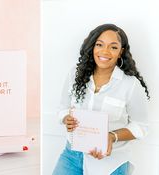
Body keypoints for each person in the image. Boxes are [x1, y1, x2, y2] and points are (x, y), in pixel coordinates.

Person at [52, 24, 150, 175]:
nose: (105, 51)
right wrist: (66, 118)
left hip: (111, 162)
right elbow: (62, 108)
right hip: (72, 154)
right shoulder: (75, 75)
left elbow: (141, 126)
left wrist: (112, 137)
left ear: (121, 52)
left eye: (113, 47)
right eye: (99, 45)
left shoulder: (130, 85)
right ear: (92, 47)